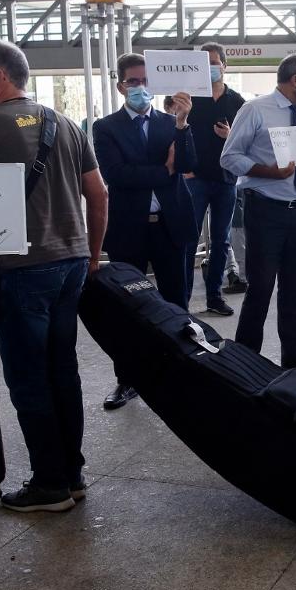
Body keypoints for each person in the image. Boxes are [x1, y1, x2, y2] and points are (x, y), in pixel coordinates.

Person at [0, 41, 108, 512]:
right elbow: (98, 194)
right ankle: (73, 474)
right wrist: (92, 254)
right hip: (70, 263)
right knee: (63, 370)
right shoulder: (63, 122)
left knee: (28, 379)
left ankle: (50, 484)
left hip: (21, 267)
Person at [93, 53, 197, 410]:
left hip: (171, 225)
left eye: (145, 81)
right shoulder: (105, 128)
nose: (140, 88)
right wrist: (164, 170)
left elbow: (188, 165)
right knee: (127, 308)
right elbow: (118, 175)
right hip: (129, 229)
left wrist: (182, 126)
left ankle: (185, 371)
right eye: (132, 82)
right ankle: (127, 379)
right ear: (120, 85)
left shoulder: (172, 123)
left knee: (176, 302)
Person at [220, 54, 296, 377]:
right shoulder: (255, 110)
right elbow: (230, 157)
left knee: (293, 290)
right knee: (261, 288)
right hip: (266, 210)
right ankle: (245, 361)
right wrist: (268, 171)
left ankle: (292, 356)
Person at [185, 42, 247, 315]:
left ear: (224, 65)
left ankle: (214, 297)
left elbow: (249, 141)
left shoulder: (237, 102)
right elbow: (177, 131)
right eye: (204, 63)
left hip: (225, 180)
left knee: (221, 240)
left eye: (214, 62)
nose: (210, 68)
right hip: (195, 178)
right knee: (188, 238)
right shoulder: (191, 99)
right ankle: (181, 299)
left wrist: (230, 136)